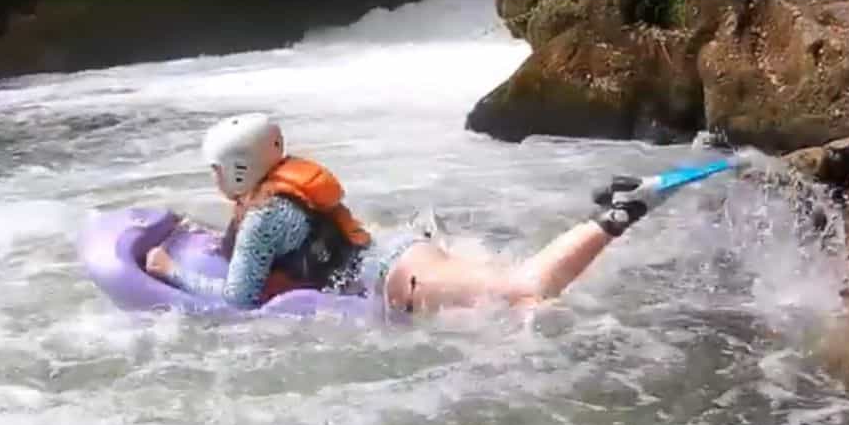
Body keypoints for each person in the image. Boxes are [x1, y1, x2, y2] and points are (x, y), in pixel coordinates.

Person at [145, 112, 652, 314]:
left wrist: (173, 272)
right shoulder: (280, 191)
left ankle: (614, 218)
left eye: (217, 169)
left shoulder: (262, 218)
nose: (213, 179)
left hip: (392, 276)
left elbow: (239, 299)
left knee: (525, 291)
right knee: (509, 295)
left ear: (239, 168)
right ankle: (609, 218)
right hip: (400, 250)